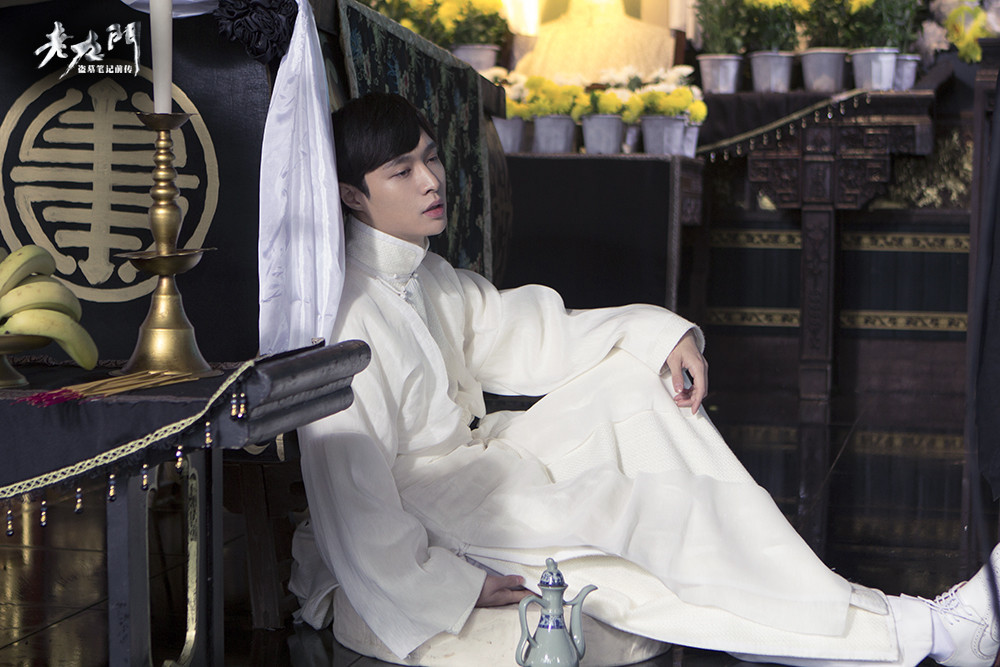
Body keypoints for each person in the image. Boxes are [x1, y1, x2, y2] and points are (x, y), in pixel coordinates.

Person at [287, 91, 1000, 667]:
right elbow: (352, 494)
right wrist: (448, 584)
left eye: (432, 157)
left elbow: (530, 333)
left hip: (483, 466)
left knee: (638, 382)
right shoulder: (346, 315)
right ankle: (924, 630)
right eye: (402, 171)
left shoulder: (427, 276)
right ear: (352, 196)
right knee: (651, 530)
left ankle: (836, 604)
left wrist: (661, 336)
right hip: (435, 509)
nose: (432, 180)